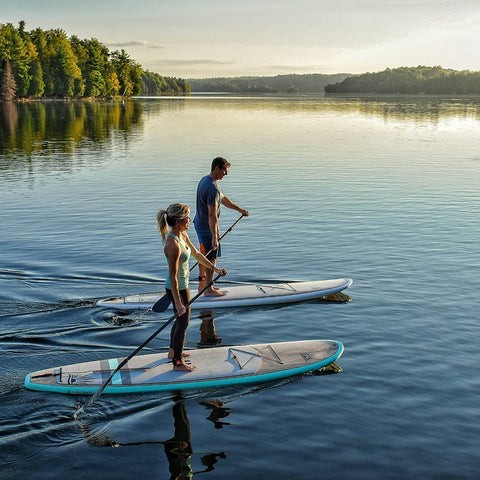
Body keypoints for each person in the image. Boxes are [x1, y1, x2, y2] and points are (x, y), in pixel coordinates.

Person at [157, 203, 227, 372]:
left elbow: (197, 254)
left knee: (180, 321)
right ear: (179, 220)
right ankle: (178, 363)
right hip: (177, 287)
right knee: (183, 322)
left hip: (182, 285)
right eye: (187, 217)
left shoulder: (182, 235)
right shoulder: (172, 244)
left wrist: (215, 268)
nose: (190, 220)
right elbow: (173, 277)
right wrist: (178, 302)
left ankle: (173, 351)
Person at [194, 157, 249, 296]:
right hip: (207, 228)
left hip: (199, 225)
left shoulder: (205, 180)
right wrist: (214, 237)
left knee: (203, 256)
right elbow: (212, 215)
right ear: (217, 168)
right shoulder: (212, 188)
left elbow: (223, 199)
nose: (226, 174)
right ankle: (208, 290)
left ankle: (202, 285)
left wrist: (239, 210)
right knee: (211, 257)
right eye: (224, 170)